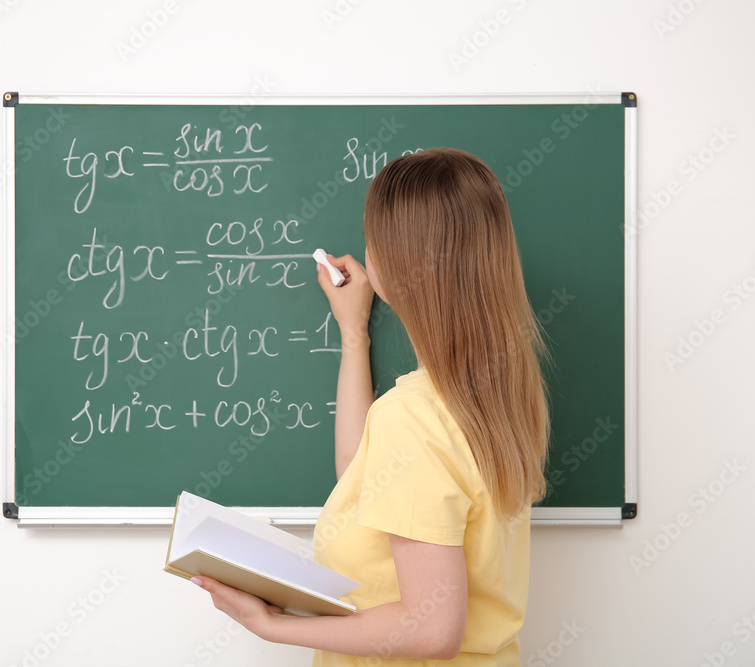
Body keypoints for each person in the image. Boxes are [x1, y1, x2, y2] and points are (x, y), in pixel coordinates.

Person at [191, 147, 551, 665]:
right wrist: (354, 333)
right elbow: (363, 473)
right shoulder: (498, 394)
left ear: (389, 263)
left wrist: (275, 625)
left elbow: (431, 630)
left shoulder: (414, 417)